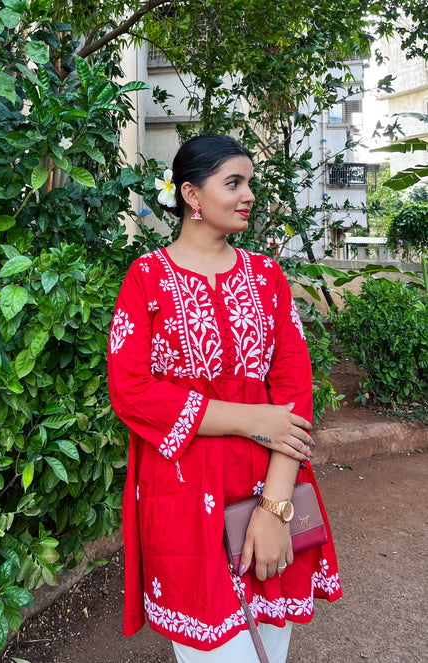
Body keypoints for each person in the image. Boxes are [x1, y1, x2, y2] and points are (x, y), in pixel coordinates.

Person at [107, 134, 342, 663]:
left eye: (250, 183)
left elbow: (294, 391)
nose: (248, 195)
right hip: (183, 497)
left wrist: (276, 508)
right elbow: (131, 391)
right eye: (232, 183)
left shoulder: (267, 278)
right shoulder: (145, 280)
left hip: (269, 481)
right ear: (191, 195)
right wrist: (247, 417)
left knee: (268, 646)